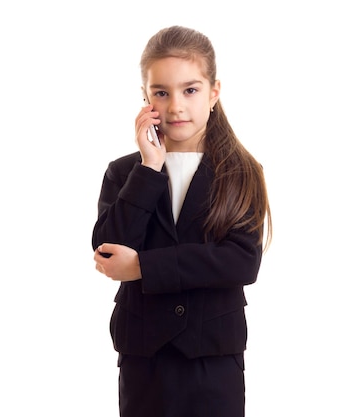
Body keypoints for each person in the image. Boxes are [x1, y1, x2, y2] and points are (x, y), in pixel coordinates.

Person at [92, 25, 272, 417]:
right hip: (144, 357)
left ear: (214, 92)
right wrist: (150, 168)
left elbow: (241, 261)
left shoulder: (241, 171)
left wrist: (142, 266)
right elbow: (108, 250)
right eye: (161, 92)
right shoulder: (125, 173)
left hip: (213, 358)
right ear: (145, 98)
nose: (175, 106)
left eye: (190, 90)